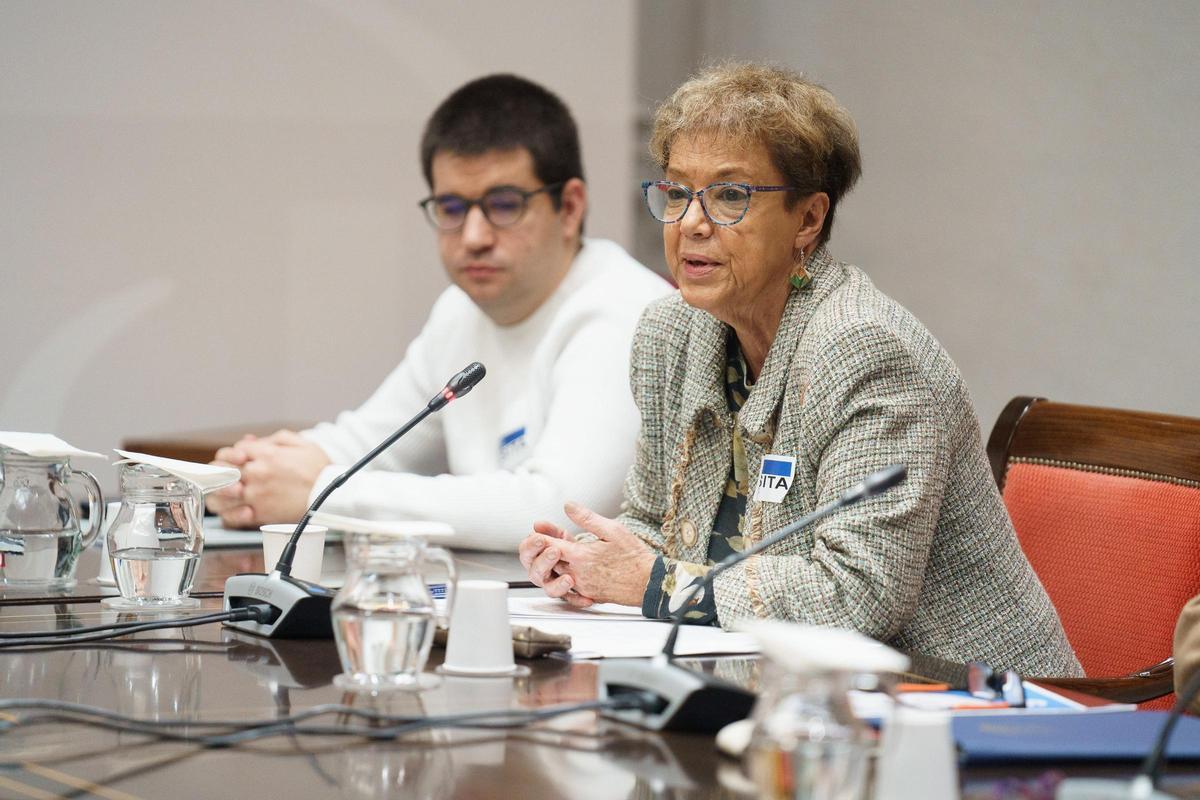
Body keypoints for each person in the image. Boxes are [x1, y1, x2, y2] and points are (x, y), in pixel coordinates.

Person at [518, 63, 1082, 676]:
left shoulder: (868, 352)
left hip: (971, 709)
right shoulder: (671, 335)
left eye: (730, 195)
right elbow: (659, 524)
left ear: (808, 219)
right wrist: (589, 560)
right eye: (678, 192)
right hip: (776, 690)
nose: (692, 223)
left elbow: (857, 596)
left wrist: (655, 583)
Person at [207, 74, 669, 551]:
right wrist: (259, 472)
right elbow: (371, 443)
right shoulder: (460, 311)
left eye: (504, 205)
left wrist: (323, 493)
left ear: (569, 208)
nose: (473, 237)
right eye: (451, 207)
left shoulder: (625, 312)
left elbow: (559, 512)